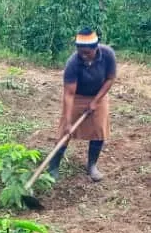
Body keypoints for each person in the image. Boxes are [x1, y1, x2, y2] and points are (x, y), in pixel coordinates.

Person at [47, 28, 116, 182]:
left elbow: (110, 79)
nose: (84, 56)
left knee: (99, 129)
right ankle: (53, 167)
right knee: (64, 133)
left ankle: (92, 166)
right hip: (77, 96)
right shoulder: (73, 62)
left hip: (99, 95)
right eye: (81, 52)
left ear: (96, 48)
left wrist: (95, 101)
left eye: (87, 52)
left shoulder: (108, 55)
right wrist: (68, 121)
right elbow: (69, 94)